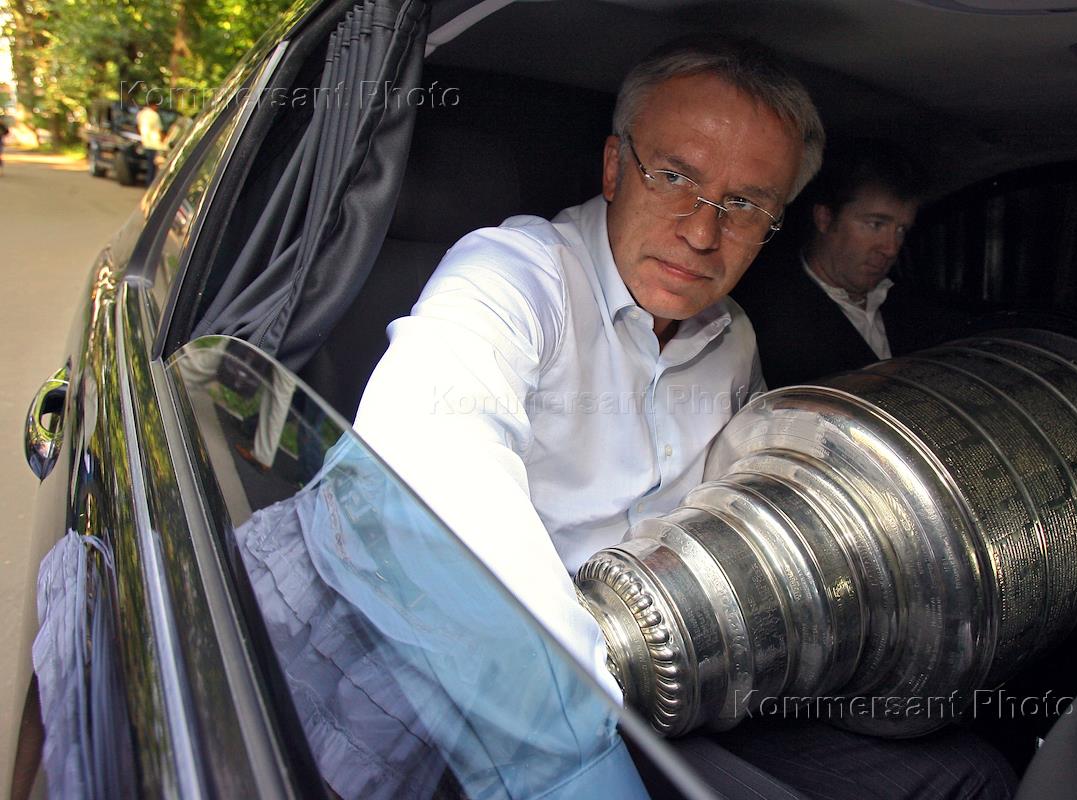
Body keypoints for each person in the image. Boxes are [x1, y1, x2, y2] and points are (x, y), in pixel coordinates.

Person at [355, 38, 1014, 799]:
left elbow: (753, 505)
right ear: (614, 167)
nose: (702, 234)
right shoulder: (514, 275)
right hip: (510, 684)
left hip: (686, 670)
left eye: (745, 206)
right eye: (674, 178)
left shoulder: (733, 340)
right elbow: (426, 456)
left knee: (970, 776)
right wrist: (584, 694)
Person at [737, 139, 970, 387]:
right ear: (825, 218)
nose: (891, 248)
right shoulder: (768, 319)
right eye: (875, 224)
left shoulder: (911, 305)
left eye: (901, 230)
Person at [136, 101, 165, 185]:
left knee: (149, 164)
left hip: (145, 142)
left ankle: (148, 181)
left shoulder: (141, 114)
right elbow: (159, 129)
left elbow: (137, 127)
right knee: (153, 165)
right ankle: (150, 183)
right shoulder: (154, 115)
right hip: (154, 143)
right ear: (153, 105)